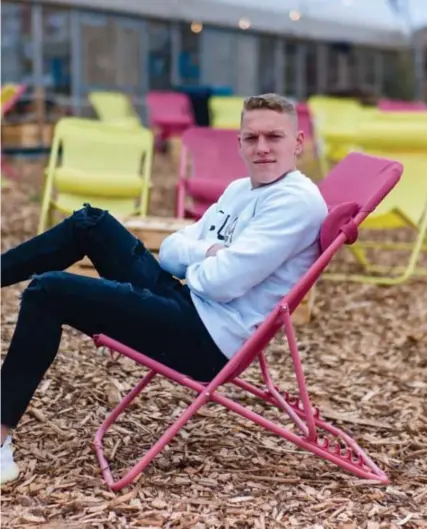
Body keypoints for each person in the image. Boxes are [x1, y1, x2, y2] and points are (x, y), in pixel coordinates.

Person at [0, 93, 328, 485]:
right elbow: (172, 250)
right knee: (90, 223)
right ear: (239, 142)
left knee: (48, 291)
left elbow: (223, 283)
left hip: (205, 339)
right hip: (187, 302)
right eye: (251, 138)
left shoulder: (296, 202)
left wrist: (202, 265)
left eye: (274, 137)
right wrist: (209, 251)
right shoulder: (242, 189)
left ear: (297, 142)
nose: (262, 148)